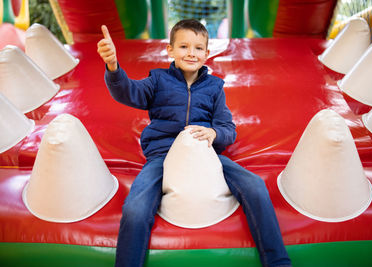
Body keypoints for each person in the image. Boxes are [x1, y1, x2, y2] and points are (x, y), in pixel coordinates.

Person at [97, 19, 291, 267]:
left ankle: (277, 262)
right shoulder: (157, 81)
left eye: (198, 48)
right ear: (170, 50)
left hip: (205, 154)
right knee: (135, 208)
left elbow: (227, 128)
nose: (191, 53)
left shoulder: (214, 88)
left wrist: (214, 133)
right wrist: (113, 66)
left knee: (254, 185)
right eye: (184, 46)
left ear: (207, 54)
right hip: (162, 156)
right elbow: (127, 92)